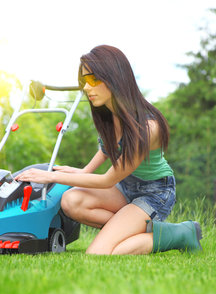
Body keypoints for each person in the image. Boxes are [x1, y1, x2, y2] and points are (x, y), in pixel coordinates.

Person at [15, 45, 202, 255]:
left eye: (93, 79)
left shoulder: (148, 128)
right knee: (71, 201)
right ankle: (128, 226)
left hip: (154, 194)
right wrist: (75, 171)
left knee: (99, 253)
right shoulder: (110, 117)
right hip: (125, 187)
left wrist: (50, 177)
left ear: (115, 78)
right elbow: (99, 160)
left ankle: (181, 234)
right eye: (84, 81)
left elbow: (106, 180)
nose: (86, 87)